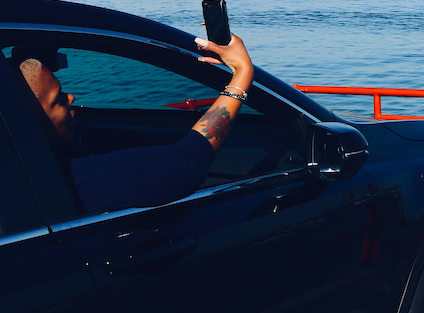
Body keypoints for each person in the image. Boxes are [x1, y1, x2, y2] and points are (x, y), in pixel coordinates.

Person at [16, 34, 254, 214]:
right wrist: (242, 73)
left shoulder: (12, 174)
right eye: (58, 99)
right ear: (26, 120)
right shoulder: (68, 178)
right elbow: (187, 161)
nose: (70, 98)